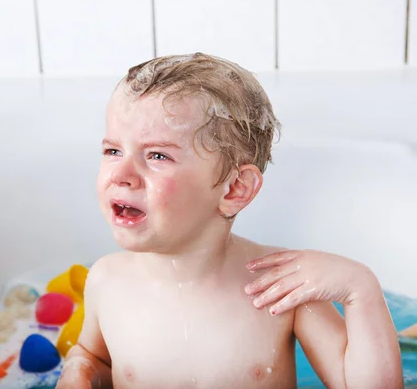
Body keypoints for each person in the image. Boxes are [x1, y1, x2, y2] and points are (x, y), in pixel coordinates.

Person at [56, 53, 403, 388]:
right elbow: (96, 358)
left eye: (157, 155)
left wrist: (361, 289)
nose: (122, 174)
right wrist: (80, 369)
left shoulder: (283, 288)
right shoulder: (107, 280)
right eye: (113, 150)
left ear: (234, 189)